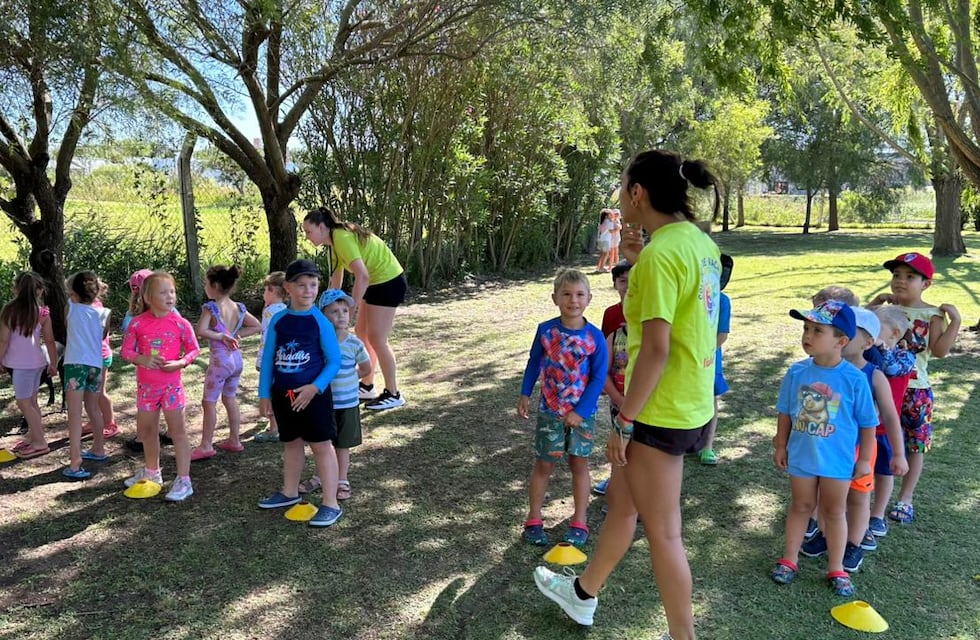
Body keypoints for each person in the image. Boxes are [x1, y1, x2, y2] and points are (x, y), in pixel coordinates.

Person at [533, 150, 721, 640]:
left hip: (660, 410)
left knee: (665, 534)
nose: (619, 197)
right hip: (690, 401)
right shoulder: (695, 243)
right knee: (622, 503)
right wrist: (638, 263)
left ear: (638, 193)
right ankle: (582, 595)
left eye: (622, 188)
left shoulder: (664, 253)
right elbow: (678, 315)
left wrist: (624, 421)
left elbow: (656, 349)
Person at [770, 300, 878, 597]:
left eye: (818, 330)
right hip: (802, 456)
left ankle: (836, 567)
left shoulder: (854, 379)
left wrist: (866, 460)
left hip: (838, 461)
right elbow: (785, 412)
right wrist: (780, 444)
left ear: (841, 341)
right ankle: (789, 560)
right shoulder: (796, 372)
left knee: (834, 511)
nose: (808, 335)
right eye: (806, 328)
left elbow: (868, 424)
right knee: (801, 506)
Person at [800, 307, 906, 572]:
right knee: (828, 497)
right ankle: (826, 536)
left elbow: (891, 418)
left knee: (858, 499)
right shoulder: (826, 371)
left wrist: (899, 453)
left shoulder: (874, 375)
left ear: (867, 342)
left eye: (851, 332)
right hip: (831, 448)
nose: (843, 335)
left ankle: (854, 544)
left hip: (862, 450)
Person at [868, 252, 960, 525]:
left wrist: (954, 322)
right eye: (896, 275)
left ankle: (906, 498)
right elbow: (861, 334)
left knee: (915, 445)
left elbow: (940, 351)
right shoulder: (884, 310)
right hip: (881, 385)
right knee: (876, 438)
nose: (900, 281)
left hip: (916, 390)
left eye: (910, 277)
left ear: (926, 284)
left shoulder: (932, 315)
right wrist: (873, 305)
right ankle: (868, 493)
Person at [518, 268, 608, 549]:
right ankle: (534, 519)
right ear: (555, 297)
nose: (573, 300)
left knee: (578, 464)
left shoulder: (595, 337)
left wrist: (580, 411)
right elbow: (534, 362)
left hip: (582, 416)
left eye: (579, 294)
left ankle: (579, 520)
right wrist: (525, 393)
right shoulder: (546, 330)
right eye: (566, 294)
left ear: (589, 298)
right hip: (550, 411)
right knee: (544, 463)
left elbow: (598, 377)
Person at [257, 259, 344, 527]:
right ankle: (289, 492)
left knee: (321, 446)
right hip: (283, 394)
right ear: (288, 288)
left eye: (313, 285)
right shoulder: (279, 320)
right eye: (301, 285)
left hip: (313, 396)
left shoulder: (320, 321)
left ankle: (331, 503)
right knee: (292, 442)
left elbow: (334, 361)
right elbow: (269, 357)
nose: (308, 290)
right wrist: (264, 394)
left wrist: (314, 388)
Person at [303, 207, 407, 410]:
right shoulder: (333, 244)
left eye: (309, 231)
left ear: (322, 227)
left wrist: (349, 311)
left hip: (388, 281)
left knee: (377, 338)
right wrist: (325, 310)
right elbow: (336, 279)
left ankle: (393, 393)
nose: (307, 237)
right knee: (362, 333)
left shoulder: (341, 237)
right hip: (375, 282)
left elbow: (363, 276)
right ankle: (367, 386)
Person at [120, 271, 200, 502]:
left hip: (171, 389)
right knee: (146, 431)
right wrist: (141, 359)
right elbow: (126, 351)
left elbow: (194, 350)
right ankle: (152, 472)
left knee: (178, 432)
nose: (170, 296)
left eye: (172, 291)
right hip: (146, 389)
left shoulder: (180, 323)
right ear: (147, 297)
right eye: (163, 292)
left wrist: (181, 362)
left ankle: (184, 479)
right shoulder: (137, 323)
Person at [298, 289, 371, 500]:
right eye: (334, 311)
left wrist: (350, 380)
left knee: (342, 444)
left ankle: (342, 480)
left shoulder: (355, 343)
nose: (341, 315)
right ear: (322, 315)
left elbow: (366, 369)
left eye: (345, 310)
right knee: (322, 443)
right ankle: (320, 476)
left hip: (347, 404)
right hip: (323, 403)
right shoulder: (317, 344)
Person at [191, 265, 260, 460]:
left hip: (220, 361)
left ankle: (206, 445)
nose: (205, 286)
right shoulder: (238, 307)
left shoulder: (211, 308)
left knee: (209, 402)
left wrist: (222, 335)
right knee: (230, 398)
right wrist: (235, 334)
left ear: (214, 285)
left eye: (206, 283)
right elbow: (257, 326)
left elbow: (201, 331)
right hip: (236, 360)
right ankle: (235, 440)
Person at [867, 305, 916, 538]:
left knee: (884, 473)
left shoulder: (906, 356)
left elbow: (892, 369)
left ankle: (877, 515)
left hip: (886, 428)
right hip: (865, 426)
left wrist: (881, 348)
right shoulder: (872, 350)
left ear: (895, 333)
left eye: (877, 329)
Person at [0, 272, 58, 459]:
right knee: (31, 402)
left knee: (23, 402)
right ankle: (34, 436)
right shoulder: (42, 312)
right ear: (39, 291)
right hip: (38, 363)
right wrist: (54, 363)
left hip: (21, 366)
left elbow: (3, 340)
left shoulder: (9, 310)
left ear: (16, 289)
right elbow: (49, 341)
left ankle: (40, 442)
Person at [62, 271, 113, 479]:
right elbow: (102, 336)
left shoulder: (70, 307)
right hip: (95, 365)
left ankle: (75, 461)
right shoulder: (105, 313)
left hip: (75, 364)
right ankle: (98, 448)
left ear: (73, 291)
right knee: (93, 407)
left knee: (74, 413)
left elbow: (68, 328)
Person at [122, 268, 174, 454]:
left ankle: (141, 437)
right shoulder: (168, 311)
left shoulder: (132, 317)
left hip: (149, 369)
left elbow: (128, 346)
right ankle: (168, 432)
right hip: (166, 367)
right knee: (168, 401)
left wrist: (140, 358)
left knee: (146, 402)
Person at [593, 261, 631, 497]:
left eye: (632, 280)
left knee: (639, 447)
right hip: (617, 392)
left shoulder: (653, 314)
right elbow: (603, 353)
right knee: (618, 438)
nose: (627, 285)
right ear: (615, 284)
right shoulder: (611, 314)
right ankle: (615, 480)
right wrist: (609, 391)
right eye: (622, 280)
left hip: (646, 399)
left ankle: (635, 492)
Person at [698, 253, 734, 466]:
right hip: (685, 358)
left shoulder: (723, 301)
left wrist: (703, 353)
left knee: (710, 399)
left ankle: (707, 446)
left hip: (709, 359)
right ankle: (690, 442)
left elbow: (722, 335)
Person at [254, 271, 288, 443]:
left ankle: (274, 428)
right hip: (283, 360)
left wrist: (262, 361)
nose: (264, 294)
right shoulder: (287, 310)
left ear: (273, 291)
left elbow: (267, 338)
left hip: (270, 361)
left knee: (271, 393)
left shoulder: (270, 312)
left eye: (266, 290)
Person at [82, 277, 118, 439]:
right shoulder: (87, 307)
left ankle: (110, 423)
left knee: (99, 392)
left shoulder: (95, 309)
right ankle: (95, 420)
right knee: (89, 393)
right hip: (90, 356)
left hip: (100, 357)